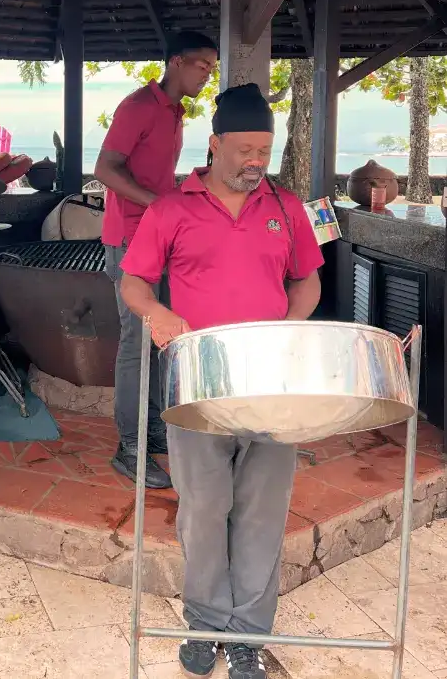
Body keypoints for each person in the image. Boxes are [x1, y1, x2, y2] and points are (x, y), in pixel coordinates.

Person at [119, 82, 323, 679]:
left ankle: (248, 637)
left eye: (266, 149)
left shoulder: (286, 208)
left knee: (263, 509)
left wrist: (287, 327)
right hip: (198, 384)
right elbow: (134, 283)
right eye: (245, 150)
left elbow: (306, 280)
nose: (257, 161)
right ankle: (205, 623)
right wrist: (156, 315)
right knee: (204, 508)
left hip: (270, 383)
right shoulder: (170, 209)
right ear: (214, 145)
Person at [94, 30, 218, 488]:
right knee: (135, 342)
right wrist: (157, 204)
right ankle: (129, 447)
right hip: (129, 241)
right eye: (202, 66)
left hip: (157, 236)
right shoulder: (140, 106)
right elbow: (104, 169)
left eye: (211, 68)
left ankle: (152, 430)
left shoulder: (175, 113)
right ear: (176, 61)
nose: (207, 75)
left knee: (160, 337)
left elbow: (157, 174)